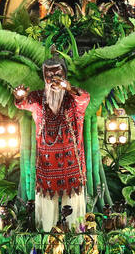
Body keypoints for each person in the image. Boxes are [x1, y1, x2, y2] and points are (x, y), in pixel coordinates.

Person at [13, 58, 90, 232]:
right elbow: (23, 103)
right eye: (49, 74)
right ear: (44, 77)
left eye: (58, 74)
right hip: (46, 166)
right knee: (46, 209)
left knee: (74, 209)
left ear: (65, 74)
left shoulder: (73, 99)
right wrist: (19, 96)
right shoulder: (38, 98)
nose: (53, 78)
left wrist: (68, 88)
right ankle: (47, 238)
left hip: (72, 164)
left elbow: (85, 98)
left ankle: (76, 239)